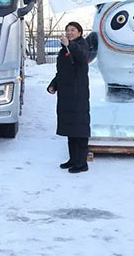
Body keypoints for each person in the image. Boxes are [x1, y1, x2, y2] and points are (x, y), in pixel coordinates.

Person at [47, 21, 91, 174]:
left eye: (73, 30)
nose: (69, 33)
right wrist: (54, 85)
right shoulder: (63, 50)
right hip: (66, 95)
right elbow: (62, 72)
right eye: (68, 30)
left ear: (79, 33)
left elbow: (82, 57)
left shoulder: (82, 46)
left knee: (80, 128)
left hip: (78, 94)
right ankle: (73, 159)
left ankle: (82, 163)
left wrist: (70, 45)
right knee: (70, 128)